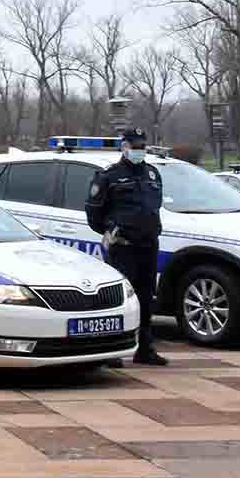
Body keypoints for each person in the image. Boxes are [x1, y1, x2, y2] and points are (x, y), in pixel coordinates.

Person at [85, 128, 169, 366]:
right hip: (123, 247)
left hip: (148, 244)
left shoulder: (152, 174)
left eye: (142, 146)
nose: (139, 151)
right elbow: (94, 212)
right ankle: (113, 351)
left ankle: (144, 348)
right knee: (120, 300)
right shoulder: (109, 176)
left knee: (145, 297)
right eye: (134, 146)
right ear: (124, 147)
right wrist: (110, 231)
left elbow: (154, 206)